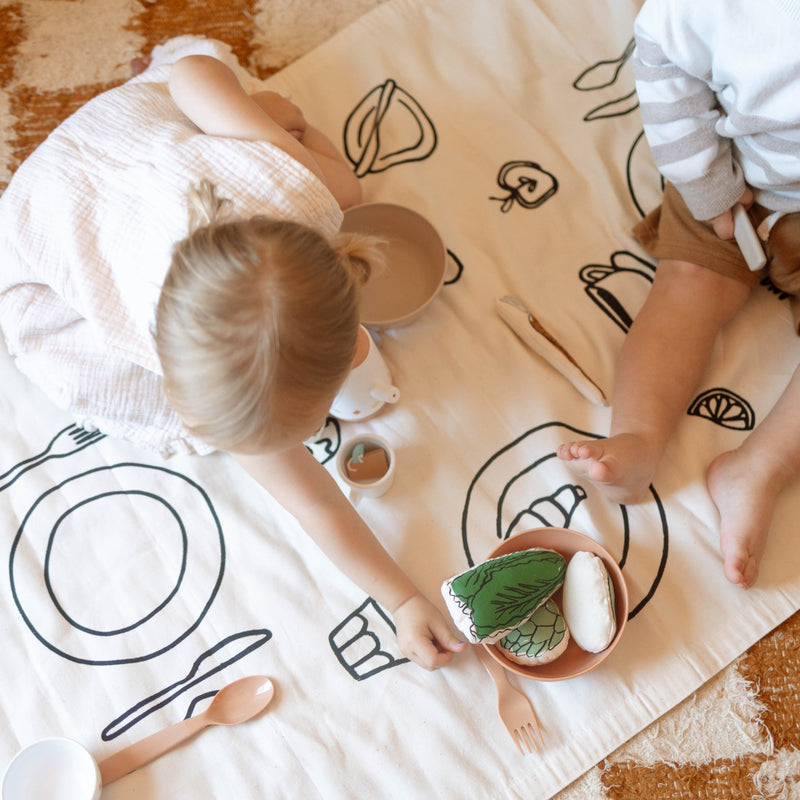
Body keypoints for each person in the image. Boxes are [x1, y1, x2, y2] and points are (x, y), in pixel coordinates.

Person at [0, 39, 465, 670]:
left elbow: (194, 74)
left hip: (122, 145)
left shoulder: (298, 186)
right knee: (71, 366)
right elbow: (312, 500)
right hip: (38, 218)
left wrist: (271, 127)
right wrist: (400, 597)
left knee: (338, 180)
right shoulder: (145, 319)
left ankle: (229, 113)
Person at [558, 0, 800, 590]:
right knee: (686, 290)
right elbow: (663, 60)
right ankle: (638, 437)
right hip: (738, 183)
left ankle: (756, 469)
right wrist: (708, 183)